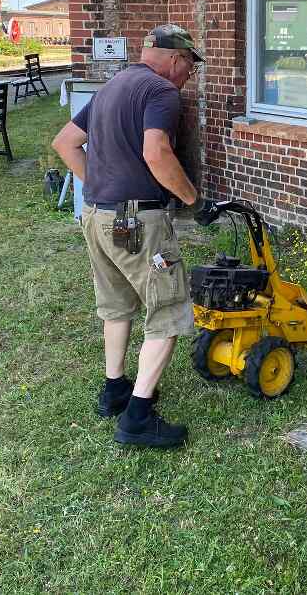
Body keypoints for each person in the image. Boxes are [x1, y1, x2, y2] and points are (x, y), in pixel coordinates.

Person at [50, 24, 203, 449]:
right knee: (168, 310)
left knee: (116, 305)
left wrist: (100, 187)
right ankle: (137, 416)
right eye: (190, 66)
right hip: (138, 223)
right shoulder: (161, 92)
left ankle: (114, 388)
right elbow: (157, 152)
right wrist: (193, 200)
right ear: (175, 58)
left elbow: (65, 143)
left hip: (96, 216)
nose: (189, 75)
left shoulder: (112, 86)